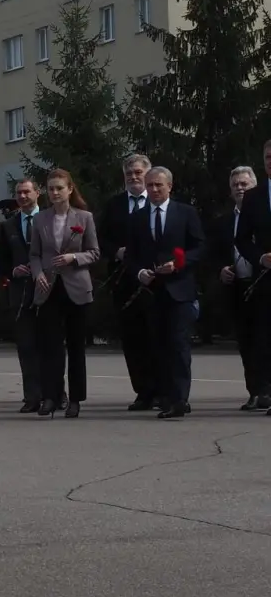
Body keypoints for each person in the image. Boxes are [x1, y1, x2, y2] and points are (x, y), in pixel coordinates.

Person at [125, 165, 205, 420]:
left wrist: (179, 264)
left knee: (178, 344)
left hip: (180, 290)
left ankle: (180, 399)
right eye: (150, 185)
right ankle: (167, 396)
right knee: (158, 345)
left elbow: (200, 247)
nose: (154, 190)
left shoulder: (185, 213)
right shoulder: (138, 218)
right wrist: (140, 273)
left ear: (170, 186)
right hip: (152, 292)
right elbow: (132, 256)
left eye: (159, 185)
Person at [29, 170, 100, 418]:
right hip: (48, 287)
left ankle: (76, 399)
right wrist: (37, 273)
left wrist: (74, 257)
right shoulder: (40, 220)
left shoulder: (84, 217)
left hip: (76, 288)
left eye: (59, 188)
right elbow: (34, 254)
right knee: (50, 347)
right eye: (50, 189)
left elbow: (94, 252)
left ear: (70, 189)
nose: (55, 193)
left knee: (76, 346)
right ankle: (51, 396)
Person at [99, 152, 158, 410]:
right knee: (132, 339)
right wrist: (117, 251)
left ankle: (163, 390)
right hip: (124, 281)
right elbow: (100, 240)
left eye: (138, 173)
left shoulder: (159, 201)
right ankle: (143, 391)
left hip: (157, 281)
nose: (134, 177)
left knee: (158, 336)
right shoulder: (114, 205)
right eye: (129, 174)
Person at [213, 165, 263, 410]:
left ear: (255, 186)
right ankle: (255, 392)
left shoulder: (264, 213)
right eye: (236, 185)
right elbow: (214, 253)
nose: (240, 189)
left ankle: (267, 390)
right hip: (237, 288)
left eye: (245, 184)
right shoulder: (224, 221)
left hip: (262, 285)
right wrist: (221, 269)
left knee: (265, 341)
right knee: (246, 342)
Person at [0, 183, 43, 411]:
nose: (23, 196)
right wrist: (12, 271)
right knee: (25, 346)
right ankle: (31, 396)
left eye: (27, 192)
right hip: (20, 292)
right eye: (19, 193)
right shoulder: (8, 226)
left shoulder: (49, 219)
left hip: (47, 289)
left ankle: (55, 393)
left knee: (49, 345)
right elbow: (1, 261)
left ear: (37, 193)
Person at [234, 141, 271, 416]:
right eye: (268, 157)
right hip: (266, 279)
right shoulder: (254, 197)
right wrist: (260, 257)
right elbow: (242, 238)